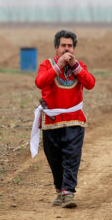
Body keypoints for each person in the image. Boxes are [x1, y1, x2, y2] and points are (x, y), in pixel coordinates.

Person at [33, 30, 95, 208]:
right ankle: (60, 190)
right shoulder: (47, 64)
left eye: (70, 46)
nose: (66, 49)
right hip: (51, 120)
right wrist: (58, 66)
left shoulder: (80, 65)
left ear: (74, 49)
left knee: (72, 156)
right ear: (56, 48)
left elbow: (90, 83)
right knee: (54, 158)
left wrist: (76, 67)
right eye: (63, 46)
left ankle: (69, 193)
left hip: (74, 119)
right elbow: (40, 82)